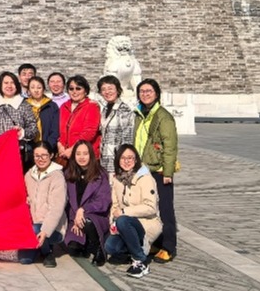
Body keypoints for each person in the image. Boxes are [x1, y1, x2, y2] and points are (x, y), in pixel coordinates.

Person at [134, 78, 178, 263]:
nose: (145, 94)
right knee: (149, 208)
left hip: (158, 169)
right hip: (142, 169)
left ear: (157, 94)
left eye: (149, 91)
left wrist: (168, 172)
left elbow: (170, 146)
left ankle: (168, 247)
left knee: (165, 209)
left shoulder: (163, 117)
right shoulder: (139, 113)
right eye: (142, 91)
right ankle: (156, 242)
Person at [105, 144, 162, 279]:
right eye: (123, 158)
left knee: (123, 220)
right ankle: (134, 250)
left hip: (146, 224)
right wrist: (112, 223)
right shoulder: (118, 179)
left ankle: (140, 260)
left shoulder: (145, 178)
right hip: (125, 224)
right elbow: (115, 205)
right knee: (110, 247)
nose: (126, 161)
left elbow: (151, 207)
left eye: (130, 158)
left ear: (136, 160)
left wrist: (125, 211)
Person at [63, 140, 110, 266]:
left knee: (88, 221)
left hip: (95, 216)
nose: (82, 157)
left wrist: (83, 209)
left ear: (91, 155)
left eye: (85, 153)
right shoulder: (69, 174)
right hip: (75, 219)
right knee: (73, 248)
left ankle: (99, 248)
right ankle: (85, 242)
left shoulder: (100, 174)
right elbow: (67, 202)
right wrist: (75, 219)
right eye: (78, 154)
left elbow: (103, 201)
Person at [19, 144, 66, 267]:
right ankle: (37, 247)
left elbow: (56, 208)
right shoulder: (29, 175)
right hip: (32, 225)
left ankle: (47, 252)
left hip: (52, 228)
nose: (40, 159)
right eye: (37, 156)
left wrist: (45, 231)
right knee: (24, 260)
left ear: (51, 155)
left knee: (37, 230)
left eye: (44, 155)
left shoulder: (57, 177)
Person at [0, 72, 38, 171]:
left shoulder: (24, 105)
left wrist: (22, 132)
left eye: (12, 83)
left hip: (17, 151)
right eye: (6, 83)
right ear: (0, 85)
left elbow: (33, 129)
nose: (9, 86)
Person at [58, 75, 101, 163]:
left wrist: (73, 149)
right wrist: (60, 145)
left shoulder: (92, 106)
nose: (74, 92)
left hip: (84, 154)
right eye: (71, 89)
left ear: (85, 91)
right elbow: (60, 129)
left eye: (78, 88)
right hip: (65, 154)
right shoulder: (64, 107)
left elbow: (89, 132)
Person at [97, 75, 135, 175]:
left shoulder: (124, 110)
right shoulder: (105, 109)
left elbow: (127, 139)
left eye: (110, 88)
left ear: (118, 90)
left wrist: (123, 162)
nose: (107, 92)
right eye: (103, 89)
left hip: (117, 162)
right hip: (104, 160)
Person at [24, 76, 59, 154]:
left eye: (39, 87)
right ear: (28, 90)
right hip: (29, 148)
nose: (36, 90)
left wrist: (48, 146)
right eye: (32, 87)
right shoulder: (24, 105)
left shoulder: (52, 106)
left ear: (43, 89)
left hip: (48, 148)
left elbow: (55, 130)